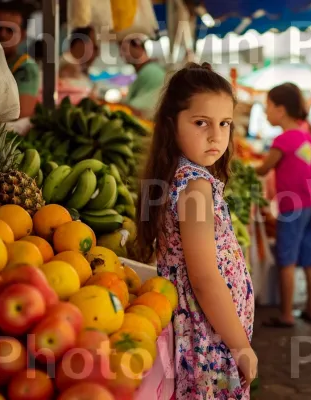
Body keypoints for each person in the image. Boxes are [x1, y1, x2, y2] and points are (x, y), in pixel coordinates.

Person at [135, 62, 256, 398]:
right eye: (201, 122)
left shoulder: (179, 174)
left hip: (204, 332)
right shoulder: (195, 187)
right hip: (209, 339)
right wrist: (240, 346)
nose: (216, 135)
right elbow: (204, 279)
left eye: (225, 123)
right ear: (172, 124)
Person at [255, 83, 311, 327]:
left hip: (291, 209)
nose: (266, 113)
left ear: (281, 109)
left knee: (287, 261)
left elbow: (264, 168)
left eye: (268, 107)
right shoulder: (309, 139)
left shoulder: (283, 140)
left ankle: (286, 314)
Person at [0, 2, 39, 119]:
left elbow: (20, 115)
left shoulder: (26, 67)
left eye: (10, 30)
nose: (2, 34)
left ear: (22, 36)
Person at [119, 35, 167, 116]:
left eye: (124, 49)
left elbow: (141, 109)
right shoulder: (146, 70)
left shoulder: (152, 71)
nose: (121, 54)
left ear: (138, 46)